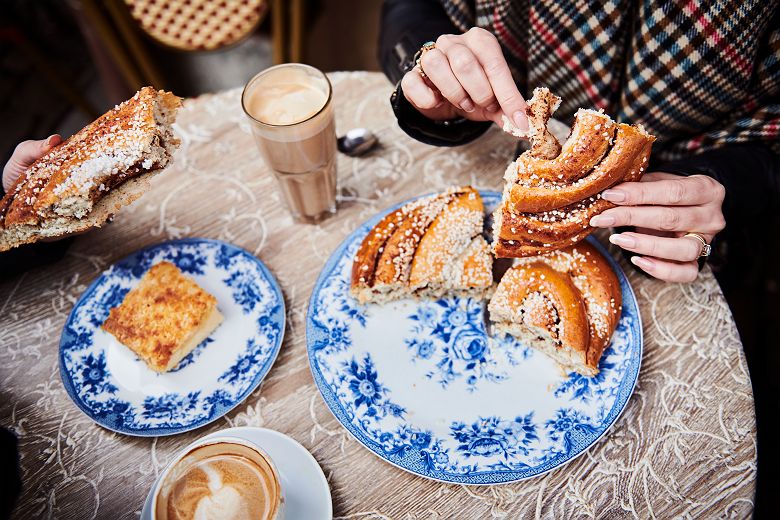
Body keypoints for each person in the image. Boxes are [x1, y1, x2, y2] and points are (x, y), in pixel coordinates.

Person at [378, 0, 779, 285]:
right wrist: (434, 71)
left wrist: (728, 184)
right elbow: (411, 9)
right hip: (496, 143)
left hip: (685, 224)